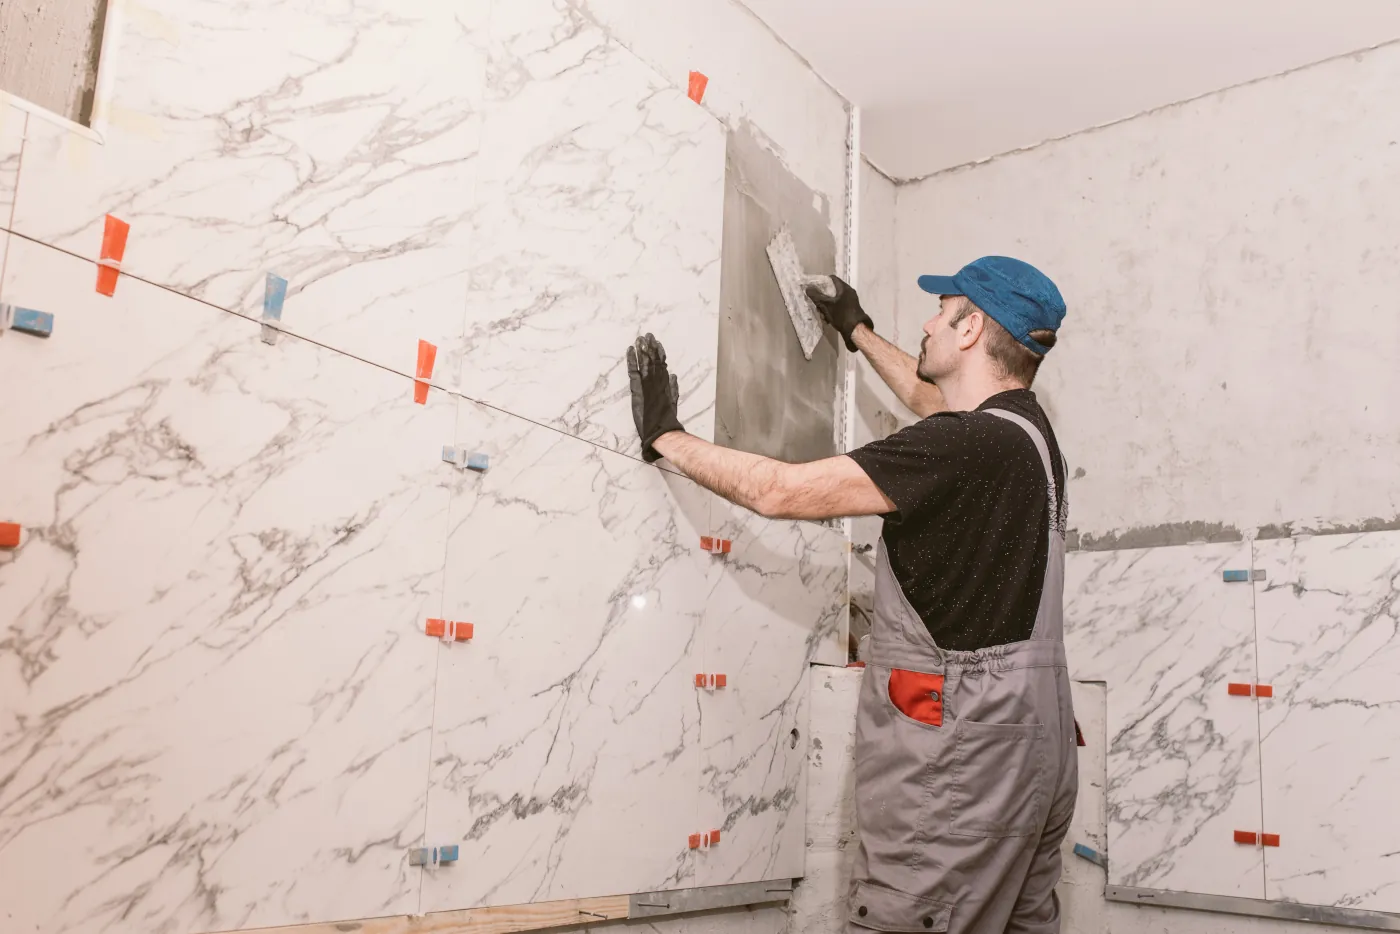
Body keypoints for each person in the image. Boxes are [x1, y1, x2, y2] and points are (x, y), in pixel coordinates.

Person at [625, 255, 1077, 934]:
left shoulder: (963, 445)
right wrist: (855, 329)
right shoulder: (1026, 438)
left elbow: (778, 492)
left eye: (941, 309)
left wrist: (667, 436)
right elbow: (930, 402)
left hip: (964, 760)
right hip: (1033, 750)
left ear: (970, 328)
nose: (926, 323)